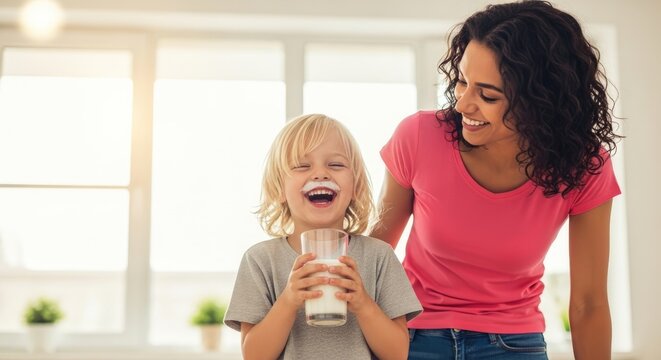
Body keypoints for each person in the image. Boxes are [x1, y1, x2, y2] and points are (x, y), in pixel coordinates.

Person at [370, 1, 622, 359]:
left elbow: (589, 303)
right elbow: (374, 255)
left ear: (540, 101)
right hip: (411, 336)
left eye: (487, 95)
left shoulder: (583, 166)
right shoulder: (419, 136)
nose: (462, 105)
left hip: (514, 345)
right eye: (461, 82)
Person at [224, 114, 422, 360]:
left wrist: (362, 303)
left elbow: (397, 353)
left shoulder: (379, 256)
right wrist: (289, 300)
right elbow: (254, 355)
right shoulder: (261, 260)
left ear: (356, 186)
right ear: (279, 188)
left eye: (336, 165)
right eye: (302, 166)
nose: (320, 174)